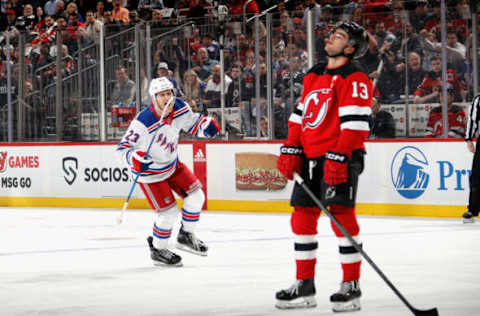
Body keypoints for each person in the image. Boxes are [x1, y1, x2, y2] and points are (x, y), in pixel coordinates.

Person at [275, 22, 372, 312]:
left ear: (351, 47)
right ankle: (305, 285)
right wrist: (292, 147)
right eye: (331, 35)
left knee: (341, 218)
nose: (330, 39)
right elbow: (301, 114)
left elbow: (355, 125)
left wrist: (340, 155)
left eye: (339, 36)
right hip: (310, 158)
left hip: (339, 157)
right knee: (302, 218)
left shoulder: (354, 77)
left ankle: (351, 287)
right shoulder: (315, 73)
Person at [116, 77, 220, 266]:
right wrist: (135, 160)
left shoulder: (180, 107)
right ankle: (158, 249)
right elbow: (122, 149)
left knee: (197, 196)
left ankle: (186, 236)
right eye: (162, 95)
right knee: (168, 213)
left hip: (172, 165)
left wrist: (206, 127)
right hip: (151, 175)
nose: (167, 98)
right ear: (154, 98)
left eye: (169, 93)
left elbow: (193, 124)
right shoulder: (143, 121)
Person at [462, 94, 480, 223]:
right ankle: (473, 210)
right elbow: (472, 120)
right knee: (476, 177)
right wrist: (469, 139)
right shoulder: (479, 99)